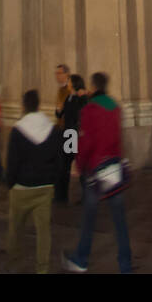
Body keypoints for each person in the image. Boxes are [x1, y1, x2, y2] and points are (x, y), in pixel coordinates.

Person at [62, 73, 132, 275]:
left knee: (89, 217)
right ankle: (125, 265)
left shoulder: (90, 109)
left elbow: (85, 142)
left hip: (95, 169)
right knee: (120, 220)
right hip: (114, 168)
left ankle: (81, 259)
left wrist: (79, 163)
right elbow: (118, 138)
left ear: (93, 86)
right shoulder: (115, 107)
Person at [0, 89, 62, 274]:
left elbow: (12, 162)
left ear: (24, 105)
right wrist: (53, 181)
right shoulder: (52, 129)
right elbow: (59, 159)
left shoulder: (18, 131)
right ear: (38, 104)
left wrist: (10, 183)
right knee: (44, 232)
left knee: (15, 231)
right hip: (44, 187)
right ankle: (42, 269)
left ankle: (11, 265)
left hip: (22, 188)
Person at [56, 74, 88, 205]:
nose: (67, 83)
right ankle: (61, 196)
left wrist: (84, 93)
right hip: (68, 133)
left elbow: (83, 112)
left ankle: (86, 196)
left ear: (74, 84)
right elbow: (60, 114)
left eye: (69, 81)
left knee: (80, 166)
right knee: (65, 165)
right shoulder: (68, 97)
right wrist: (58, 110)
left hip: (75, 133)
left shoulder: (81, 98)